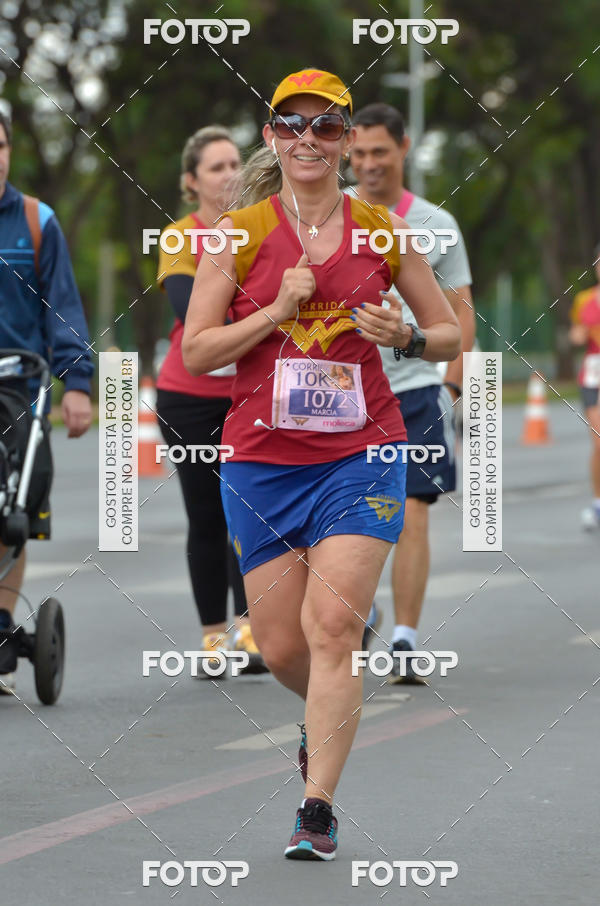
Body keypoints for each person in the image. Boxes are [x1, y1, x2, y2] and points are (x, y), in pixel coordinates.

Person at [182, 69, 460, 860]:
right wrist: (274, 310)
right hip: (261, 465)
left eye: (326, 127)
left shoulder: (382, 230)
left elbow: (449, 335)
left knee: (334, 628)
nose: (309, 139)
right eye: (291, 125)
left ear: (342, 143)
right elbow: (197, 351)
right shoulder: (237, 235)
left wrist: (402, 335)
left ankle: (317, 808)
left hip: (362, 453)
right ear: (272, 136)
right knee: (282, 646)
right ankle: (328, 716)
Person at [349, 103, 475, 682]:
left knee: (413, 512)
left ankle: (402, 639)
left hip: (415, 388)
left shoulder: (433, 222)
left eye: (380, 152)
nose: (369, 164)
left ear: (403, 149)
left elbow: (459, 317)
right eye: (360, 153)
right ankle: (355, 610)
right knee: (350, 520)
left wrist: (449, 385)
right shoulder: (335, 212)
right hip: (342, 394)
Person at [155, 126, 266, 675]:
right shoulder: (180, 238)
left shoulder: (259, 231)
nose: (229, 175)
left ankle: (252, 631)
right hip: (189, 398)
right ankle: (211, 640)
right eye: (216, 167)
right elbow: (191, 315)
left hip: (250, 394)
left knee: (248, 511)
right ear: (190, 181)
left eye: (234, 165)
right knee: (205, 515)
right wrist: (263, 319)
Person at [0, 110, 93, 694]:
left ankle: (4, 619)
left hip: (17, 386)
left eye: (0, 143)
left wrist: (78, 384)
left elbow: (62, 307)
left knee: (12, 505)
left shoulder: (37, 222)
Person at [569, 246, 600, 530]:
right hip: (593, 372)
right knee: (598, 438)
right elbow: (576, 332)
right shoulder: (584, 299)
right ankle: (597, 502)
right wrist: (578, 334)